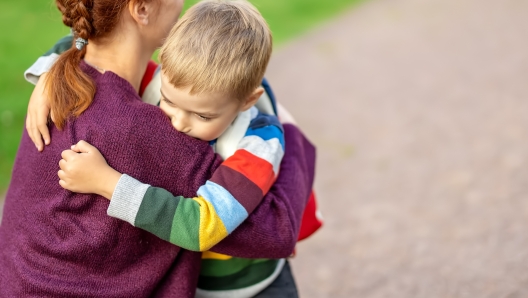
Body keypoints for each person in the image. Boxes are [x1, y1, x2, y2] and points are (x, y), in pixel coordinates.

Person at [0, 0, 316, 297]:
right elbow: (277, 227)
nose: (178, 122)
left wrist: (52, 65)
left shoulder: (63, 82)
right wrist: (287, 128)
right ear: (141, 9)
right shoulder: (148, 132)